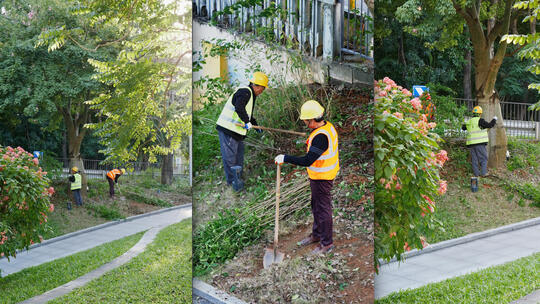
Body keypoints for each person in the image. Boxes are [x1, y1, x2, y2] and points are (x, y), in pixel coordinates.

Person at [274, 100, 339, 254]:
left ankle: (327, 244)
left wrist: (286, 158)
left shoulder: (321, 137)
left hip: (323, 177)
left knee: (323, 209)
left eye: (305, 120)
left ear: (312, 120)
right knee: (316, 206)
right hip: (318, 175)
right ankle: (317, 235)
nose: (304, 122)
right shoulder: (325, 126)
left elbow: (307, 160)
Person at [216, 71, 268, 191]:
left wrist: (255, 125)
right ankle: (233, 184)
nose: (262, 92)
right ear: (257, 86)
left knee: (238, 156)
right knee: (230, 158)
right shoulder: (245, 92)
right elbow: (239, 107)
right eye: (262, 89)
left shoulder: (250, 95)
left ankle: (238, 179)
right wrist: (246, 122)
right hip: (228, 129)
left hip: (237, 132)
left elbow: (247, 114)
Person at [462, 106, 497, 177]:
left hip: (471, 144)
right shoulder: (480, 121)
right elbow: (490, 125)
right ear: (480, 114)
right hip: (479, 143)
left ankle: (476, 174)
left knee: (474, 159)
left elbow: (463, 127)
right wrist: (494, 119)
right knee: (484, 158)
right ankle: (483, 173)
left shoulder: (469, 121)